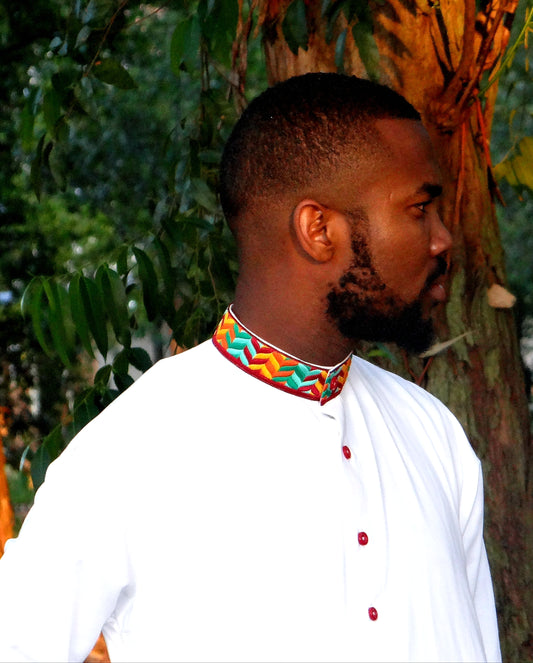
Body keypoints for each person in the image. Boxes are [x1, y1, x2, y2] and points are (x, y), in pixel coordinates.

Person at [0, 73, 500, 662]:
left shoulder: (433, 433)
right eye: (420, 209)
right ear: (319, 230)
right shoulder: (133, 449)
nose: (443, 239)